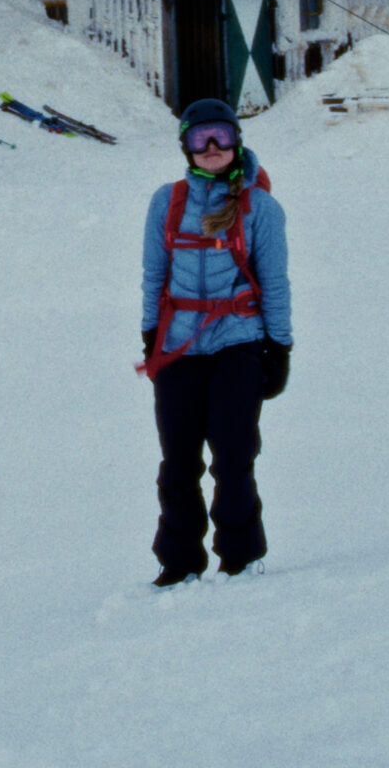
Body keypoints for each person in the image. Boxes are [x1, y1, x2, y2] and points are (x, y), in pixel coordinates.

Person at [138, 97, 293, 586]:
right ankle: (179, 561)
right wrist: (150, 337)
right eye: (199, 138)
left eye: (221, 136)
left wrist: (279, 348)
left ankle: (240, 556)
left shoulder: (260, 207)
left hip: (237, 343)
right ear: (184, 146)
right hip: (178, 346)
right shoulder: (166, 202)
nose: (211, 147)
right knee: (178, 461)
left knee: (233, 455)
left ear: (236, 142)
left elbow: (275, 282)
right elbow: (153, 276)